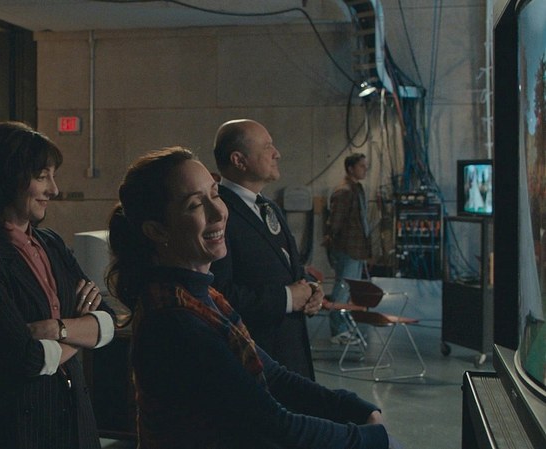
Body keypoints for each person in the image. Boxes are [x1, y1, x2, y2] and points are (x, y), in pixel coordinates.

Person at [107, 146, 393, 448]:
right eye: (195, 205)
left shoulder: (204, 295)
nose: (219, 212)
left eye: (215, 194)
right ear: (157, 230)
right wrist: (373, 439)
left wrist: (355, 408)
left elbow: (275, 376)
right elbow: (272, 425)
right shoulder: (175, 319)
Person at [0, 121, 115, 449]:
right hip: (16, 428)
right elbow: (26, 357)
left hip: (74, 420)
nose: (54, 190)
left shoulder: (51, 242)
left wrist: (55, 329)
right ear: (8, 178)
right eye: (43, 177)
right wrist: (80, 333)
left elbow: (109, 322)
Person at [210, 118, 322, 380]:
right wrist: (287, 298)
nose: (277, 153)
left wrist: (310, 289)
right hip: (257, 360)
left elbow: (287, 269)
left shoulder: (269, 207)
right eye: (267, 146)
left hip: (292, 355)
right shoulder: (219, 213)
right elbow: (218, 294)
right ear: (239, 160)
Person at [324, 153, 372, 343]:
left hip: (357, 248)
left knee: (349, 289)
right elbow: (335, 222)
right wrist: (333, 241)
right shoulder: (344, 191)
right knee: (342, 288)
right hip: (347, 248)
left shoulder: (356, 189)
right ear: (351, 168)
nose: (365, 169)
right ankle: (338, 330)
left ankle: (344, 326)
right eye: (361, 166)